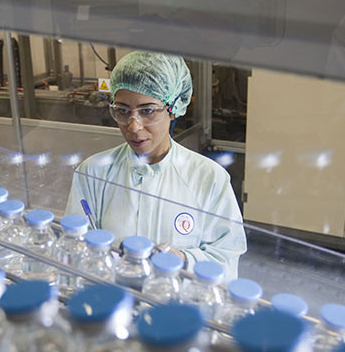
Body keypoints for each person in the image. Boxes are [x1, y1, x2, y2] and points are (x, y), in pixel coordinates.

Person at [65, 51, 246, 280]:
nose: (134, 127)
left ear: (173, 108)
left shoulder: (209, 177)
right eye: (122, 111)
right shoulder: (93, 172)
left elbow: (226, 259)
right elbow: (74, 248)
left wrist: (181, 259)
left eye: (147, 111)